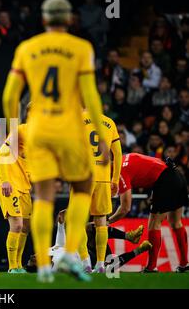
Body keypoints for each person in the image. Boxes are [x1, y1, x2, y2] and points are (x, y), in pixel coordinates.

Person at [2, 0, 108, 283]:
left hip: (38, 130)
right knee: (82, 189)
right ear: (70, 18)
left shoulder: (27, 48)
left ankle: (45, 267)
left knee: (44, 197)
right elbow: (91, 97)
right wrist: (101, 134)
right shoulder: (81, 48)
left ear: (45, 18)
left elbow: (10, 95)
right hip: (69, 128)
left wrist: (12, 131)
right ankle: (69, 255)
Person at [111, 153, 189, 273]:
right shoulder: (125, 158)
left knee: (154, 224)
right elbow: (151, 164)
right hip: (176, 175)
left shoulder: (119, 171)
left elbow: (125, 208)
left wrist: (108, 221)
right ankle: (184, 264)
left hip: (165, 181)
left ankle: (151, 267)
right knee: (175, 222)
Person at [26, 210, 151, 273]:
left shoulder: (49, 252)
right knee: (108, 269)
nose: (34, 255)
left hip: (86, 248)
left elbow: (59, 245)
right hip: (91, 261)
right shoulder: (55, 268)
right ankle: (139, 250)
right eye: (33, 259)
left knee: (91, 227)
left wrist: (60, 224)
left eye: (32, 257)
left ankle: (129, 236)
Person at [74, 111, 122, 273]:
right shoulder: (109, 123)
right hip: (103, 178)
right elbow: (118, 154)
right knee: (101, 221)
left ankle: (85, 260)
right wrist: (115, 179)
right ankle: (101, 264)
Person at [0, 121, 31, 273]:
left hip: (24, 185)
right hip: (10, 184)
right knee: (16, 225)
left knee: (26, 226)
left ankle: (19, 265)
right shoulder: (22, 130)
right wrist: (5, 180)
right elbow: (1, 153)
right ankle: (12, 266)